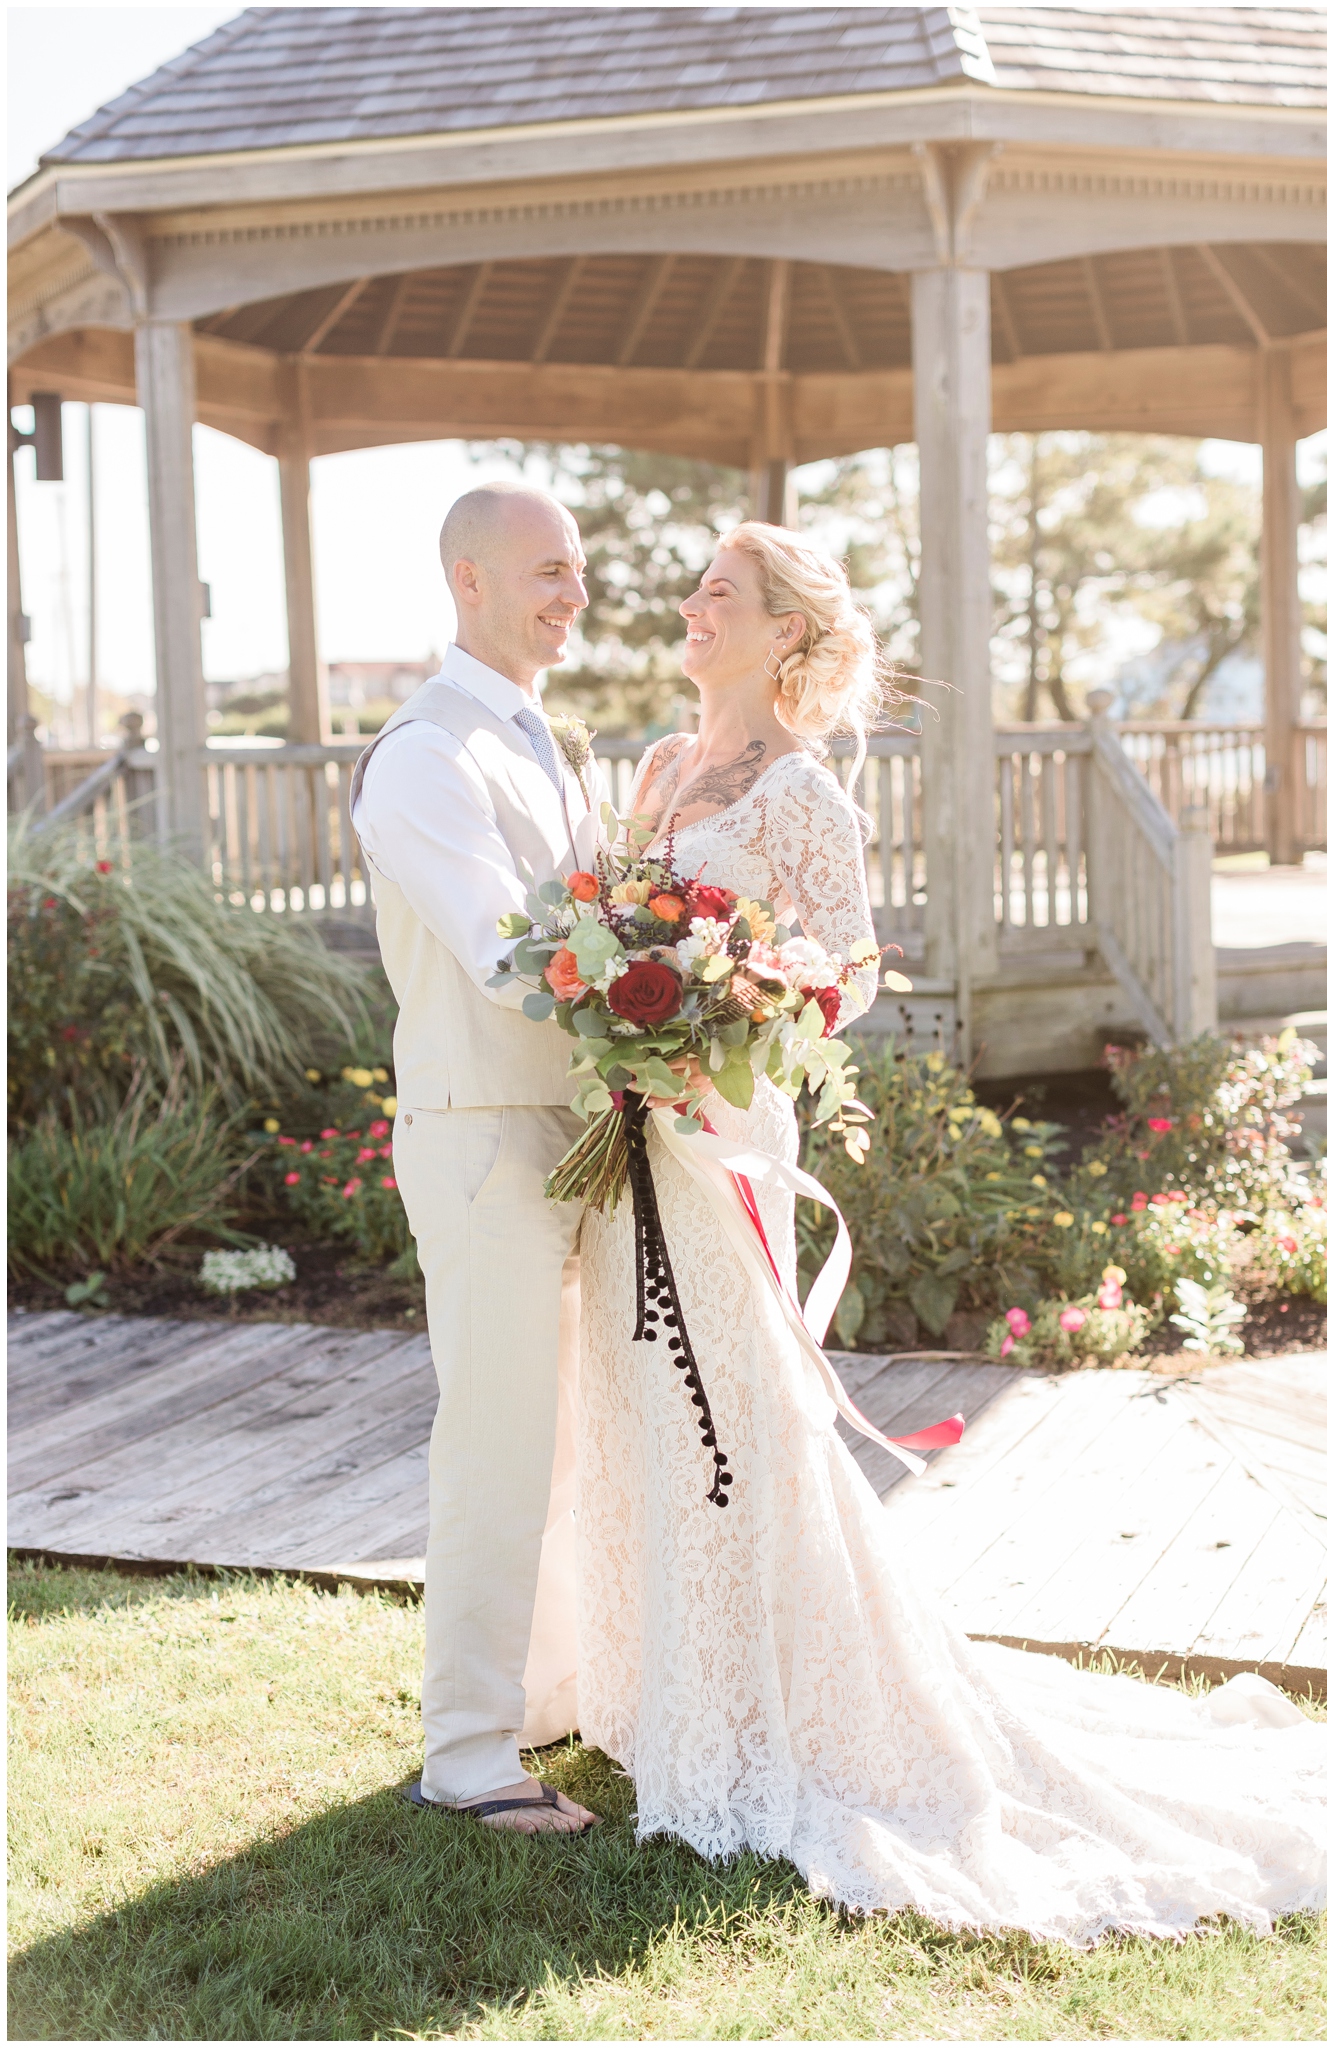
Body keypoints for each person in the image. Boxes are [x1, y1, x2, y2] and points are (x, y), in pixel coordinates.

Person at [572, 521, 1327, 1935]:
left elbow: (850, 973)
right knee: (642, 1393)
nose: (689, 607)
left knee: (740, 1408)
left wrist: (730, 1021)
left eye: (720, 594)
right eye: (692, 587)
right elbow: (612, 921)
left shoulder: (804, 792)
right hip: (634, 1132)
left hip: (726, 1131)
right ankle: (669, 1687)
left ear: (786, 637)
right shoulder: (653, 769)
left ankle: (784, 1703)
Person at [351, 481, 601, 1834]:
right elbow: (512, 961)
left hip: (564, 1135)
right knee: (498, 1445)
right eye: (547, 571)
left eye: (577, 571)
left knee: (563, 1445)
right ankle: (464, 1756)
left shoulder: (534, 736)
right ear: (468, 580)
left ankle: (545, 1698)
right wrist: (661, 998)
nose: (572, 594)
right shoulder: (422, 754)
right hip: (478, 1138)